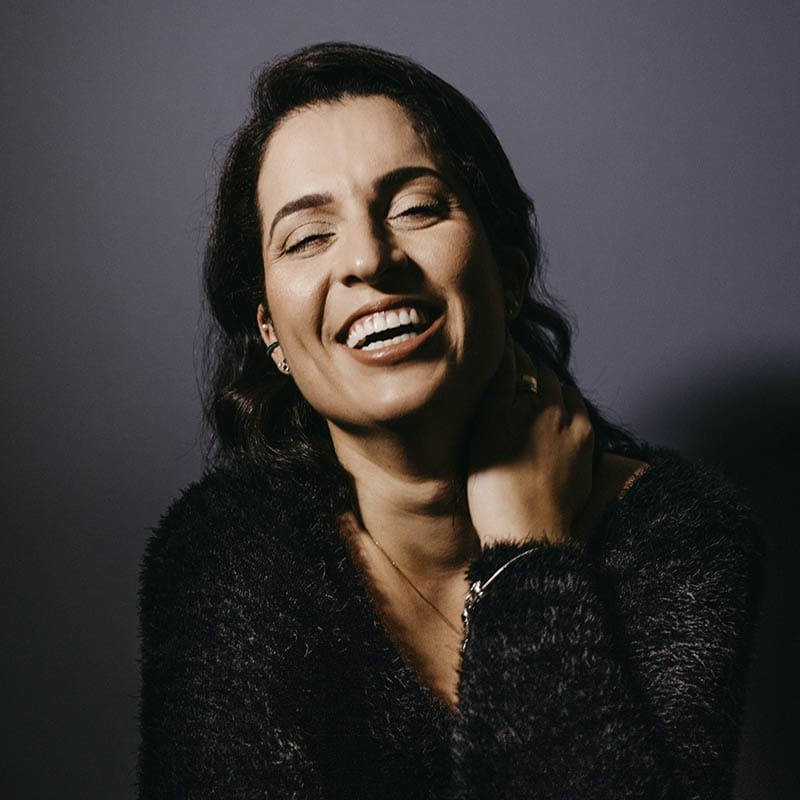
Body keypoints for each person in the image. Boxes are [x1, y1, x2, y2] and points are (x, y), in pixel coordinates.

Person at [137, 42, 765, 799]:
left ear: (506, 271)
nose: (369, 259)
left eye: (416, 208)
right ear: (272, 333)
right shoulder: (228, 552)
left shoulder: (677, 531)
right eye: (307, 237)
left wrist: (525, 561)